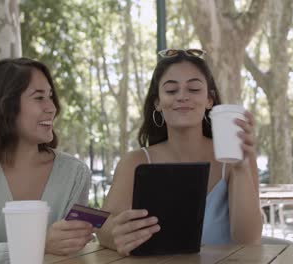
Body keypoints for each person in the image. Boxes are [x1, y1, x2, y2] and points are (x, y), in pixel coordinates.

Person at [97, 49, 262, 255]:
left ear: (209, 100)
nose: (182, 96)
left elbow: (248, 239)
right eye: (171, 90)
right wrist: (116, 234)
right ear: (157, 102)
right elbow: (101, 225)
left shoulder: (236, 159)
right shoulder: (135, 161)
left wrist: (241, 168)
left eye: (193, 89)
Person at [0, 58, 94, 263]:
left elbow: (72, 254)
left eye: (50, 96)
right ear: (5, 105)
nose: (52, 108)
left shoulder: (75, 174)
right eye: (39, 97)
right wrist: (39, 244)